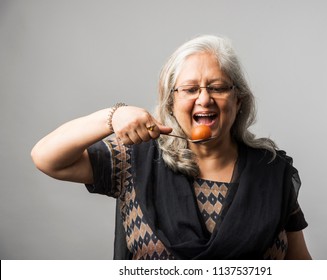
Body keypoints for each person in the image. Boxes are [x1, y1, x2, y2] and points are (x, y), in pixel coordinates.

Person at [31, 34, 311, 260]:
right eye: (190, 89)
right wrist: (113, 116)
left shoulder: (272, 172)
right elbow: (47, 158)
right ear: (171, 104)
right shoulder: (133, 160)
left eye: (217, 87)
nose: (204, 99)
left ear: (238, 101)